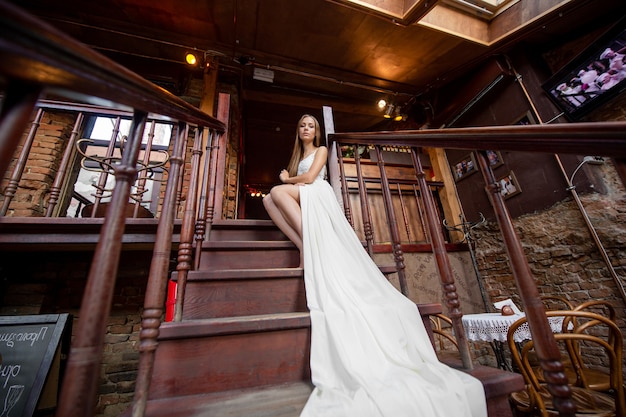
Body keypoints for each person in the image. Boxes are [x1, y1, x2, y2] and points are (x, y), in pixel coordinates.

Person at [263, 114, 488, 417]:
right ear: (297, 130)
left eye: (311, 126)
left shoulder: (321, 151)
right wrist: (289, 178)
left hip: (318, 195)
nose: (306, 129)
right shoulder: (297, 155)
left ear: (316, 131)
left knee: (277, 191)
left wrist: (286, 179)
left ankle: (311, 243)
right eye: (302, 125)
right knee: (267, 200)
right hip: (306, 197)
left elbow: (310, 178)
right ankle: (306, 244)